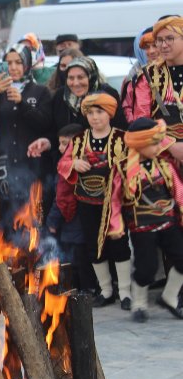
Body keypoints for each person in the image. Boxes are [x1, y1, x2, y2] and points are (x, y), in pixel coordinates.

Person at [56, 93, 132, 309]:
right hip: (87, 202)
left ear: (109, 113)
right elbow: (62, 164)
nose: (95, 117)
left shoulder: (122, 138)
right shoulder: (79, 140)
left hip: (115, 204)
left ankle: (125, 292)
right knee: (93, 247)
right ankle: (106, 290)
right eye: (90, 113)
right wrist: (74, 164)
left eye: (99, 112)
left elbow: (133, 165)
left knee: (119, 244)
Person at [108, 118, 183, 321]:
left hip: (168, 222)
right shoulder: (123, 169)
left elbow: (178, 190)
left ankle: (169, 297)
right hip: (141, 226)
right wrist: (116, 225)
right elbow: (114, 200)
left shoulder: (164, 164)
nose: (159, 147)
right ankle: (139, 304)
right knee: (146, 268)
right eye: (155, 143)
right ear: (141, 144)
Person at [0, 44, 52, 236]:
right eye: (9, 63)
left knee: (35, 220)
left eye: (18, 62)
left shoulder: (40, 92)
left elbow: (45, 124)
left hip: (33, 167)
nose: (13, 67)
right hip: (5, 168)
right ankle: (12, 263)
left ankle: (36, 262)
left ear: (28, 64)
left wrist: (22, 103)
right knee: (8, 221)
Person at [45, 123, 95, 292]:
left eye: (66, 143)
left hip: (73, 222)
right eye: (60, 143)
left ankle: (83, 291)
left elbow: (63, 198)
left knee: (76, 260)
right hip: (81, 222)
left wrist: (52, 221)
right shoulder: (80, 161)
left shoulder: (69, 167)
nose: (61, 148)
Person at [131, 15, 183, 164]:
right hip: (161, 156)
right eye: (159, 40)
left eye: (170, 38)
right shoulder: (148, 75)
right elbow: (141, 121)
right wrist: (171, 146)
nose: (163, 45)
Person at [52, 57, 127, 143]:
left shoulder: (106, 93)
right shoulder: (61, 95)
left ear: (91, 76)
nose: (75, 83)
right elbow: (53, 129)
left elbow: (120, 127)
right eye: (71, 78)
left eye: (80, 77)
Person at [121, 27, 158, 124]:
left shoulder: (175, 71)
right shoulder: (133, 77)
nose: (151, 51)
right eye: (146, 47)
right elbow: (127, 108)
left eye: (155, 45)